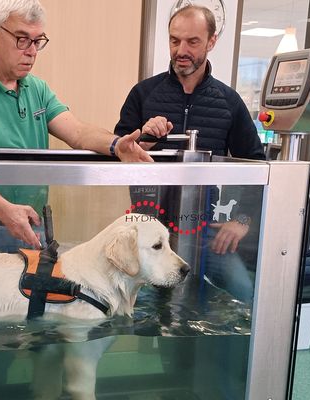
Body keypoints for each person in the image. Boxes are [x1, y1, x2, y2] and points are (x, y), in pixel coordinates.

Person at [0, 0, 151, 255]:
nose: (32, 51)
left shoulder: (36, 89)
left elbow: (78, 132)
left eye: (37, 41)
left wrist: (115, 145)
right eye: (22, 39)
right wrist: (5, 210)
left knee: (34, 296)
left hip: (34, 223)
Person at [115, 5, 265, 303]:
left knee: (247, 295)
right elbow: (119, 153)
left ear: (212, 42)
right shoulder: (143, 94)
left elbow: (256, 163)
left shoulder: (229, 102)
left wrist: (243, 220)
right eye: (174, 40)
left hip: (202, 231)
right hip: (148, 232)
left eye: (192, 42)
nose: (181, 50)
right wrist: (143, 139)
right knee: (141, 312)